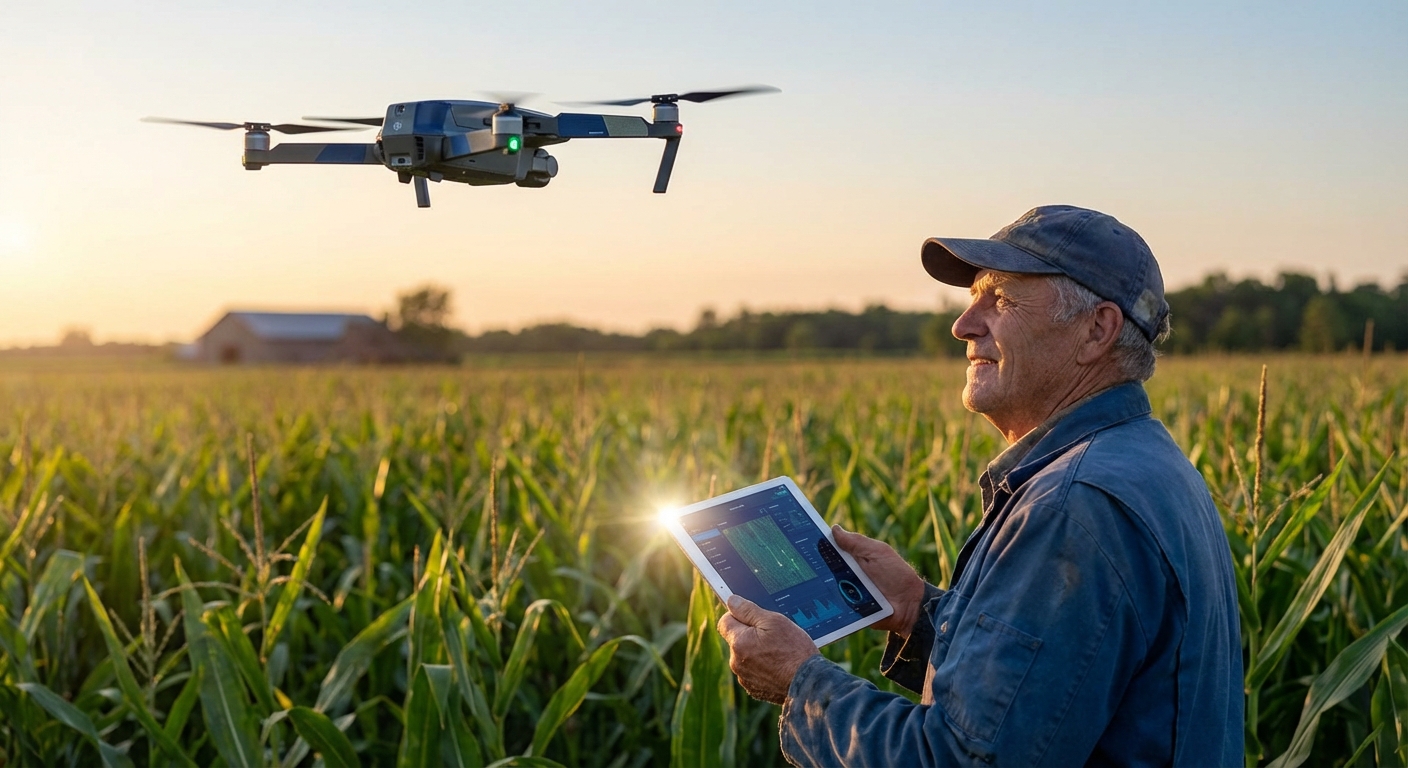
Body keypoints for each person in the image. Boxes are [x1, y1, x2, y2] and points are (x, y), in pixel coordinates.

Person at [717, 205, 1243, 766]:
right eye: (974, 298)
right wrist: (918, 611)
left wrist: (802, 684)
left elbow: (961, 759)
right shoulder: (1144, 461)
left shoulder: (1075, 506)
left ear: (1097, 330)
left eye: (1003, 299)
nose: (963, 324)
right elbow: (1055, 693)